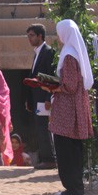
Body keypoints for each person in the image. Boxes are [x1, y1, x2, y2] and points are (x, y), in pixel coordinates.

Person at [44, 20, 93, 195]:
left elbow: (70, 86)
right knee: (72, 148)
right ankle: (74, 187)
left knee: (67, 148)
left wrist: (52, 87)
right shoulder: (72, 52)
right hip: (73, 105)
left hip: (68, 108)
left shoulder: (70, 55)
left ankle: (73, 188)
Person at [26, 24, 57, 169]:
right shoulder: (37, 53)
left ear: (40, 36)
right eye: (28, 36)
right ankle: (46, 157)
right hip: (36, 98)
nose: (29, 38)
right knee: (40, 127)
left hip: (44, 98)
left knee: (44, 127)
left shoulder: (48, 52)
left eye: (32, 35)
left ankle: (49, 158)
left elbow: (50, 76)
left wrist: (47, 98)